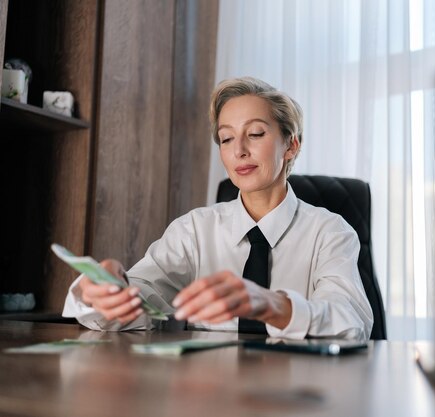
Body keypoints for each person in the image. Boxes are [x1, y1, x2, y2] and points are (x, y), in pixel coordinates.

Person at [63, 77, 373, 340]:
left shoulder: (331, 231)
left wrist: (270, 305)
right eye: (226, 139)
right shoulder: (194, 229)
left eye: (255, 134)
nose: (239, 150)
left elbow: (351, 322)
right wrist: (105, 294)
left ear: (291, 144)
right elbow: (141, 301)